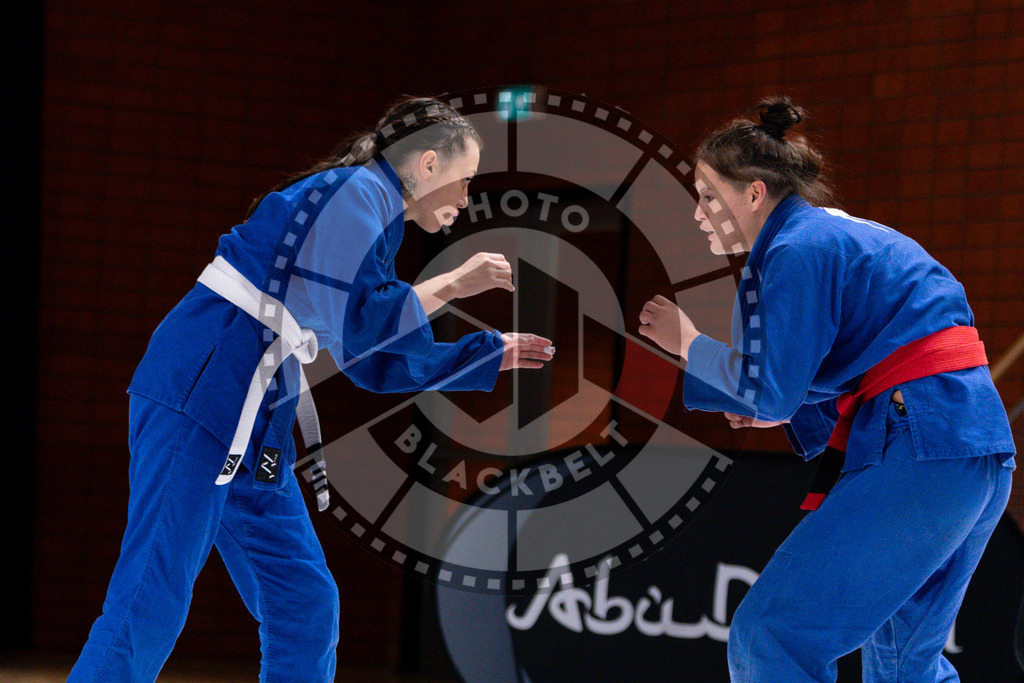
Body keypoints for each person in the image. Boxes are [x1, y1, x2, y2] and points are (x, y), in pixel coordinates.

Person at [70, 96, 553, 682]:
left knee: (304, 603)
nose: (467, 198)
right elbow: (367, 324)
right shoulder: (352, 194)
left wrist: (483, 354)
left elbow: (371, 360)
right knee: (152, 592)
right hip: (207, 383)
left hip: (257, 404)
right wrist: (452, 284)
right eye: (466, 179)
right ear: (429, 164)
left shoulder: (371, 212)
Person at [639, 97, 1015, 681]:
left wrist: (688, 341)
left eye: (709, 196)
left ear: (754, 193)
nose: (698, 213)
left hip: (922, 446)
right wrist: (778, 405)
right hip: (972, 450)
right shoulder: (832, 231)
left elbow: (770, 390)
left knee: (772, 634)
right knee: (904, 661)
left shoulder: (795, 250)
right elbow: (853, 356)